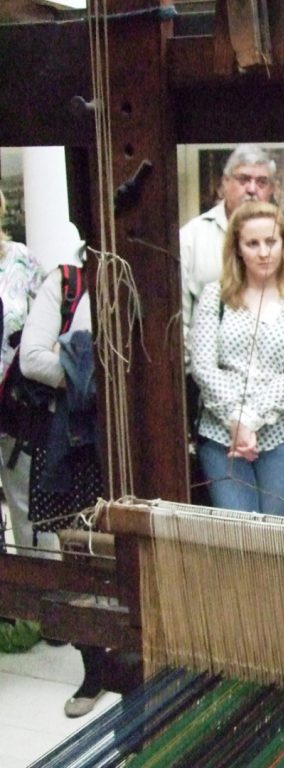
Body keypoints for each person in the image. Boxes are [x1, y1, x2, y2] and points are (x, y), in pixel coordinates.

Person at [18, 226, 106, 718]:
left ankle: (141, 659)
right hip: (72, 445)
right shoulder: (67, 281)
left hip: (130, 440)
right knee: (80, 561)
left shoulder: (144, 276)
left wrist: (70, 355)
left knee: (134, 553)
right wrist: (92, 374)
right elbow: (32, 359)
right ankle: (93, 669)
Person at [189, 201, 284, 516]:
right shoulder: (214, 297)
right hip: (222, 436)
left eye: (271, 242)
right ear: (237, 249)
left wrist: (249, 420)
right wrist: (235, 419)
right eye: (253, 243)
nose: (264, 252)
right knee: (237, 539)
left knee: (272, 539)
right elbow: (204, 368)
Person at [180, 144, 284, 377]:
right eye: (243, 179)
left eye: (262, 182)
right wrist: (214, 386)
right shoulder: (191, 239)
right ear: (224, 183)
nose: (252, 189)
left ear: (272, 189)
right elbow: (179, 326)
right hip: (212, 393)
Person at [0, 189, 44, 554]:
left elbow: (51, 319)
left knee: (27, 502)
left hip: (17, 401)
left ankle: (40, 602)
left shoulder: (22, 260)